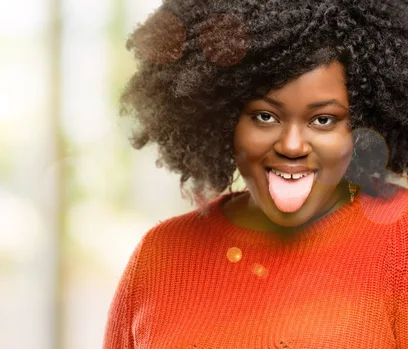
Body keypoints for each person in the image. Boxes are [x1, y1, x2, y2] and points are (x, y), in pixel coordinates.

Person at [103, 0, 408, 347]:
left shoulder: (400, 240)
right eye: (265, 116)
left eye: (323, 120)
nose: (292, 146)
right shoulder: (160, 256)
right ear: (225, 119)